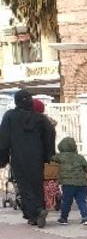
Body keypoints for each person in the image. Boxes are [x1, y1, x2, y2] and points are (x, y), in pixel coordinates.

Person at [0, 88, 55, 227]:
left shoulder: (10, 116)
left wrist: (3, 158)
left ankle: (34, 213)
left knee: (24, 186)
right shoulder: (40, 118)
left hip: (19, 157)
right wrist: (48, 155)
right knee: (37, 185)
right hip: (37, 157)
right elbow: (50, 135)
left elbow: (4, 140)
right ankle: (38, 211)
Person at [52, 136, 87, 224]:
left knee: (66, 201)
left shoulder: (59, 157)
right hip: (82, 184)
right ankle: (85, 218)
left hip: (68, 184)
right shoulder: (80, 157)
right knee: (81, 201)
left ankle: (63, 218)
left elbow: (51, 159)